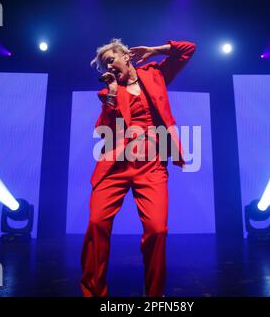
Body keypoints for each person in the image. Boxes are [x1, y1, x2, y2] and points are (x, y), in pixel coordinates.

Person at [80, 38, 196, 297]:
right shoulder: (107, 92)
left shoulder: (154, 75)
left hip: (151, 165)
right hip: (116, 167)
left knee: (157, 230)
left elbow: (188, 50)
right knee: (97, 223)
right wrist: (111, 94)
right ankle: (93, 293)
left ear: (127, 57)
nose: (107, 66)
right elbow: (104, 132)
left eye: (110, 60)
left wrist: (156, 50)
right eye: (103, 65)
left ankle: (154, 296)